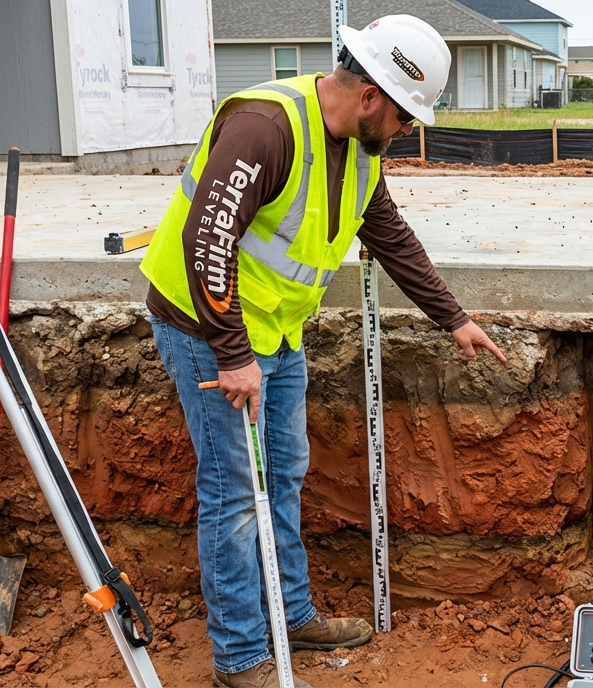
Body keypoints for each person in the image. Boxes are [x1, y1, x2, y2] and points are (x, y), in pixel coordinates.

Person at [139, 15, 507, 688]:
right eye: (403, 116)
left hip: (276, 332)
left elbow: (388, 231)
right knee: (232, 493)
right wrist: (232, 355)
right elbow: (206, 243)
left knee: (282, 475)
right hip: (206, 329)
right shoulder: (266, 127)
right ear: (371, 96)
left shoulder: (362, 150)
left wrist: (453, 318)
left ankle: (292, 613)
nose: (403, 131)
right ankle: (242, 658)